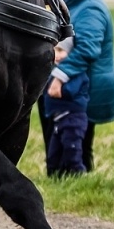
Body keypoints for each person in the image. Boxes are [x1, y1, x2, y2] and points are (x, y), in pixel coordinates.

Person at [59, 0, 114, 172]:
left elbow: (87, 50)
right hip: (78, 84)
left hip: (89, 85)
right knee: (73, 139)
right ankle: (69, 180)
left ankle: (80, 182)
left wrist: (60, 75)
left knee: (79, 141)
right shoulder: (76, 4)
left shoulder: (90, 9)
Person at [41, 36, 90, 176]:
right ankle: (55, 176)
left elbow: (68, 91)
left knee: (72, 149)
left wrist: (55, 89)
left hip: (73, 119)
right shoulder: (53, 72)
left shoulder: (76, 73)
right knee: (53, 153)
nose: (57, 54)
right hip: (58, 119)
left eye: (61, 50)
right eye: (54, 50)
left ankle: (79, 174)